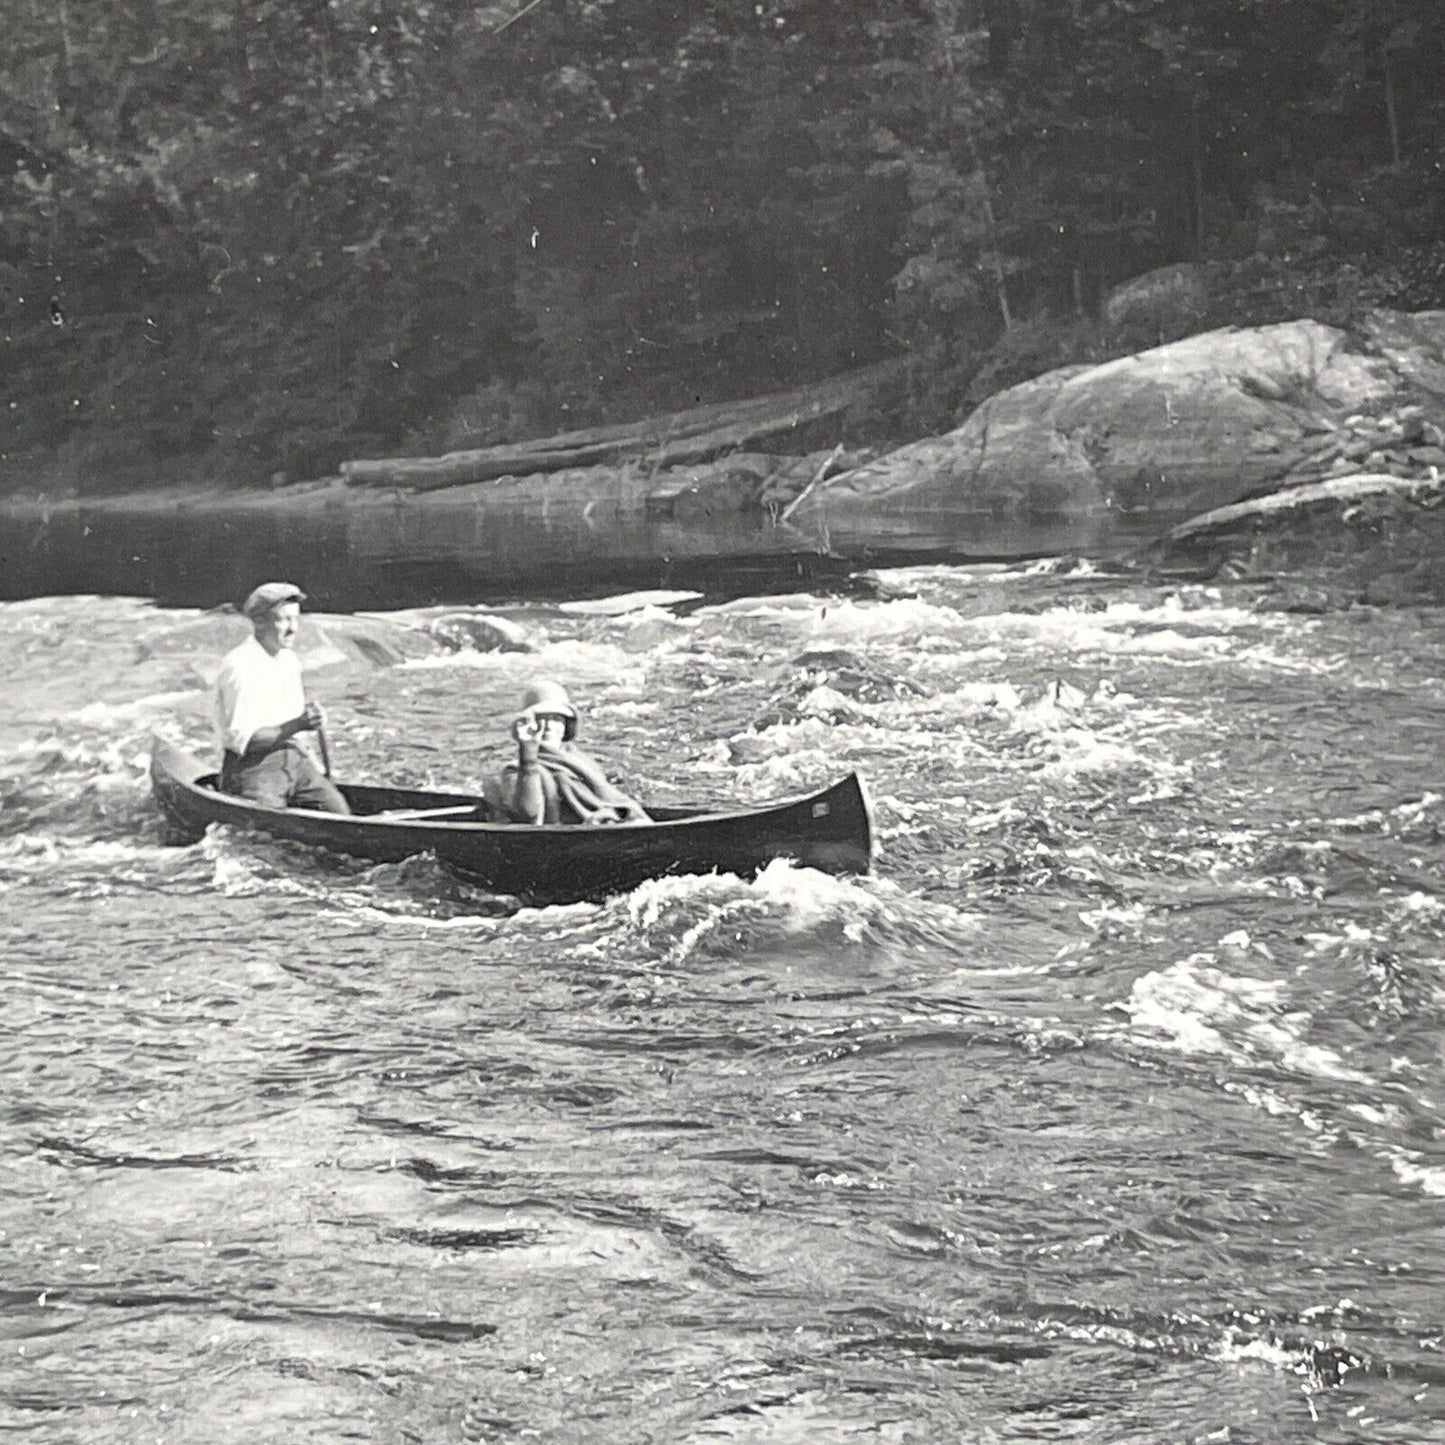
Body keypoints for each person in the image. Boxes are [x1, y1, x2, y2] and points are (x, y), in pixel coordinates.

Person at [213, 582, 351, 814]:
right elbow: (247, 742)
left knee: (341, 815)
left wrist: (310, 730)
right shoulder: (240, 666)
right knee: (267, 832)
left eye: (295, 619)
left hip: (294, 760)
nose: (293, 629)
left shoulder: (289, 660)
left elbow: (293, 728)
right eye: (284, 620)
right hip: (253, 768)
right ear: (259, 622)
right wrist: (299, 723)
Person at [484, 680, 650, 825]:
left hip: (598, 824)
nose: (548, 725)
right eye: (541, 719)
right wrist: (528, 752)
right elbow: (528, 814)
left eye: (556, 719)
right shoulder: (514, 770)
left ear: (566, 726)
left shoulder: (582, 762)